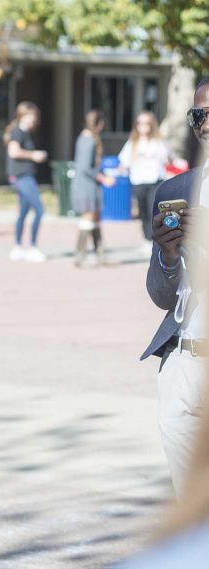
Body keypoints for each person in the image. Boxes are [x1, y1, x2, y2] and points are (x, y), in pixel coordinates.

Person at [140, 77, 209, 496]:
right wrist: (167, 257)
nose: (205, 123)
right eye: (198, 114)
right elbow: (160, 295)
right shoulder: (176, 190)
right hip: (182, 363)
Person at [119, 110, 175, 252]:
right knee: (143, 211)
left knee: (154, 211)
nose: (142, 127)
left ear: (151, 125)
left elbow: (170, 159)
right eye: (139, 123)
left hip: (156, 181)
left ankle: (156, 240)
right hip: (139, 181)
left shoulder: (159, 142)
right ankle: (146, 240)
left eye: (146, 123)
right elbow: (124, 162)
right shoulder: (133, 142)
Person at [4, 101, 49, 262]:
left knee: (23, 212)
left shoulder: (26, 133)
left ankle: (17, 247)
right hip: (22, 176)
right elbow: (13, 152)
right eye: (31, 116)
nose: (34, 120)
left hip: (26, 175)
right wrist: (33, 155)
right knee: (39, 209)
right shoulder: (18, 132)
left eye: (35, 117)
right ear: (23, 116)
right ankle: (33, 247)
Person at [71, 109, 114, 266]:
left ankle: (100, 254)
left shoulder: (88, 138)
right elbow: (84, 167)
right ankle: (79, 256)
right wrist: (103, 178)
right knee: (87, 219)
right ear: (99, 123)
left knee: (95, 219)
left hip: (90, 185)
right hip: (85, 186)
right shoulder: (87, 140)